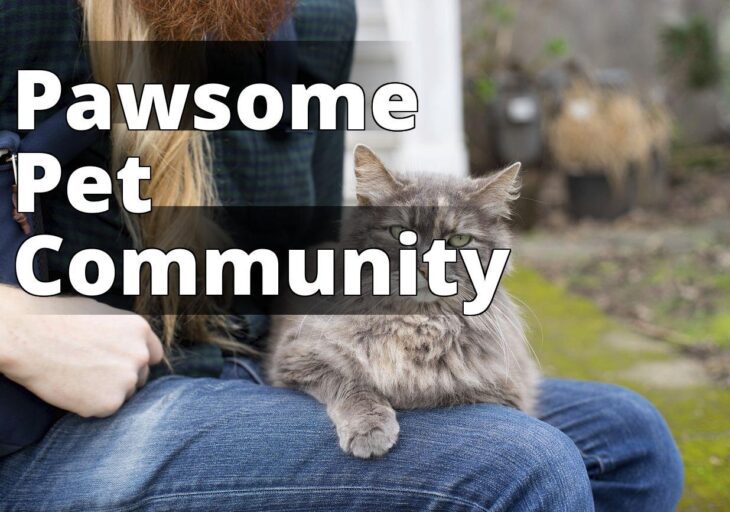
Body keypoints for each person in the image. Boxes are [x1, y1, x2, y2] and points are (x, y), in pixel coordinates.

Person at [0, 1, 684, 510]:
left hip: (255, 373)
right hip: (54, 422)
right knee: (520, 467)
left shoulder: (312, 17)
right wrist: (19, 332)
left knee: (631, 441)